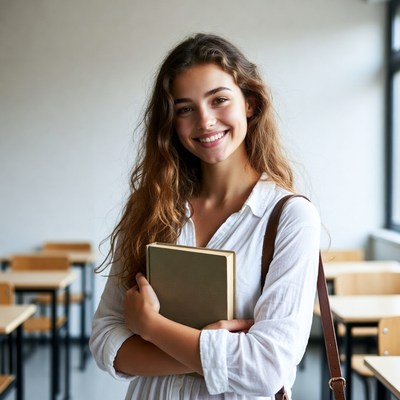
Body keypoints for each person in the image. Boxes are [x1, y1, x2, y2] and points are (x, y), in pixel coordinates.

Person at [89, 33, 320, 400]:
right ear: (171, 122)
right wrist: (215, 350)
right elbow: (105, 341)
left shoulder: (291, 218)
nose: (205, 121)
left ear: (250, 103)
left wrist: (150, 327)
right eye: (185, 108)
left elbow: (266, 369)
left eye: (219, 100)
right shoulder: (148, 207)